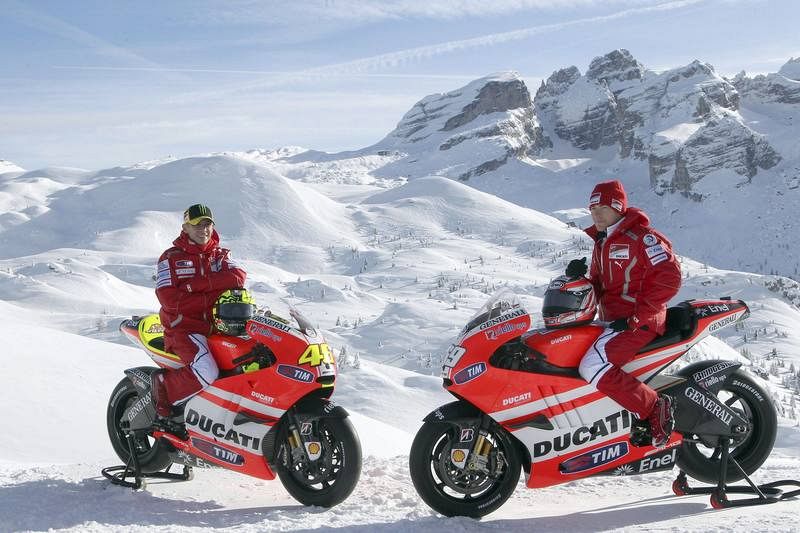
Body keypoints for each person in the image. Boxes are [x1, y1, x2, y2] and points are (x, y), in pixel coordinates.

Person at [566, 180, 682, 447]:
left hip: (638, 323)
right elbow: (600, 286)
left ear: (618, 207)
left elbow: (670, 277)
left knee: (592, 365)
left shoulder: (643, 237)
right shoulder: (602, 242)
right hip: (612, 323)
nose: (595, 213)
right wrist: (577, 279)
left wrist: (638, 317)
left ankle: (654, 407)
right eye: (592, 207)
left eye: (601, 207)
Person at [152, 204, 247, 417]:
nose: (203, 229)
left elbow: (238, 277)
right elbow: (170, 300)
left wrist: (194, 286)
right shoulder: (170, 258)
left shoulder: (221, 255)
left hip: (220, 328)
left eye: (207, 224)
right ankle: (162, 386)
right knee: (207, 370)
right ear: (185, 227)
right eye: (197, 225)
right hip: (183, 330)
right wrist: (215, 291)